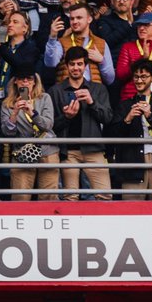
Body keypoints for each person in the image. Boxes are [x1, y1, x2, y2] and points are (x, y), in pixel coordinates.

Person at [49, 45, 113, 200]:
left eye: (79, 64)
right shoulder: (55, 91)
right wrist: (67, 117)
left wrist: (92, 102)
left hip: (94, 149)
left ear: (85, 66)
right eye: (72, 64)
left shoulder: (98, 89)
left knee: (105, 196)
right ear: (67, 66)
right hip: (68, 151)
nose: (75, 68)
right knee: (70, 198)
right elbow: (50, 126)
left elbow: (108, 118)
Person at [109, 58, 152, 199]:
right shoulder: (124, 105)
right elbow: (113, 135)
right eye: (136, 76)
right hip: (132, 160)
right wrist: (128, 119)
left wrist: (150, 115)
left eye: (144, 76)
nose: (139, 80)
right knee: (132, 208)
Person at [0, 64, 60, 200]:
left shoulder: (45, 98)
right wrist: (14, 113)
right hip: (23, 152)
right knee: (20, 197)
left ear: (35, 81)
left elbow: (48, 125)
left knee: (49, 198)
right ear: (15, 81)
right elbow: (7, 133)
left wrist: (33, 113)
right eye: (21, 79)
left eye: (29, 79)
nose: (25, 82)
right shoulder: (7, 104)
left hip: (47, 150)